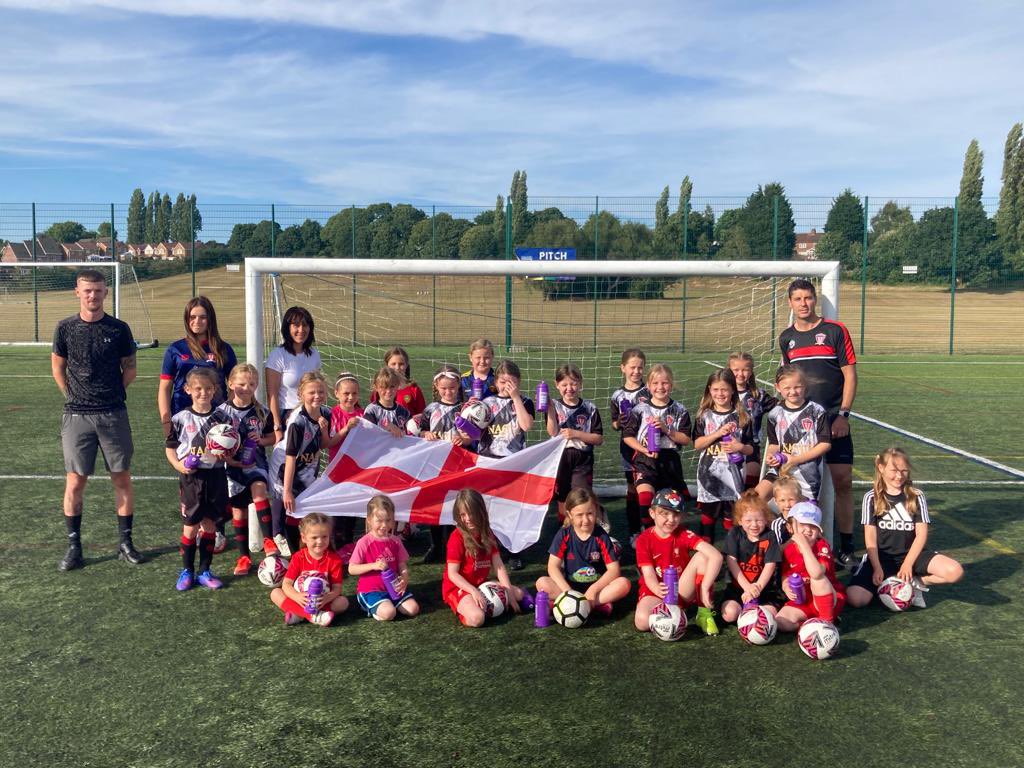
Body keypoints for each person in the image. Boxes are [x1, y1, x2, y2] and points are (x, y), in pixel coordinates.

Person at [51, 268, 142, 571]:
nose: (93, 295)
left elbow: (130, 368)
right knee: (75, 482)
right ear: (77, 291)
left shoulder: (119, 329)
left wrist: (113, 393)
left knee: (122, 479)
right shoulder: (64, 328)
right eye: (87, 290)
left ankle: (125, 543)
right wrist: (72, 396)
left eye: (98, 290)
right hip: (77, 416)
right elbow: (58, 368)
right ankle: (74, 547)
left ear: (106, 292)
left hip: (113, 413)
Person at [779, 278, 858, 567]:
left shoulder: (835, 331)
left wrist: (843, 414)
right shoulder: (786, 337)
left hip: (833, 419)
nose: (803, 303)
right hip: (801, 426)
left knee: (843, 481)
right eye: (797, 299)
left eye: (808, 298)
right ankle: (796, 543)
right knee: (798, 486)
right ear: (790, 304)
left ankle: (847, 546)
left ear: (816, 301)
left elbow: (850, 375)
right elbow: (788, 382)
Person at [846, 448, 964, 609]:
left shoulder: (916, 496)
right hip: (881, 558)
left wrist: (908, 564)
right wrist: (877, 567)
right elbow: (870, 537)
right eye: (894, 470)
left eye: (904, 471)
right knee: (855, 599)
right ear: (881, 468)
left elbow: (921, 534)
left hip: (913, 556)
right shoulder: (871, 497)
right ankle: (887, 586)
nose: (899, 476)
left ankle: (914, 583)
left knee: (955, 571)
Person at [165, 368, 235, 591]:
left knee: (210, 525)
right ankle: (187, 570)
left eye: (208, 388)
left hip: (215, 476)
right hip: (191, 479)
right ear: (188, 390)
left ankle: (205, 571)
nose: (203, 393)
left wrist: (226, 454)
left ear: (215, 390)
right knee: (190, 526)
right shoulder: (180, 418)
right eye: (198, 389)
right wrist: (179, 466)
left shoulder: (223, 418)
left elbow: (232, 448)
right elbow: (170, 448)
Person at [633, 489, 723, 636]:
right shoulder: (644, 539)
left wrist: (705, 586)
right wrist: (657, 589)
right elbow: (648, 574)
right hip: (655, 591)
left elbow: (716, 556)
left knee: (703, 556)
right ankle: (672, 613)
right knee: (642, 622)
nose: (671, 519)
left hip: (680, 590)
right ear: (652, 513)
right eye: (665, 513)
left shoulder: (683, 534)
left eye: (676, 514)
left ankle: (703, 613)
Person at [269, 372, 340, 554]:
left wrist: (331, 431)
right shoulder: (297, 422)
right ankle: (291, 553)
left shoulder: (325, 413)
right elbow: (290, 457)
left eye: (321, 392)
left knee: (303, 511)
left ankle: (306, 551)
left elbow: (324, 444)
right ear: (301, 394)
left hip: (308, 469)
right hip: (285, 468)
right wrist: (286, 491)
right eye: (312, 392)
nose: (317, 396)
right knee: (291, 509)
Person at [216, 363, 277, 576]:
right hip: (232, 467)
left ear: (256, 385)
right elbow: (212, 441)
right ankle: (244, 557)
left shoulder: (261, 411)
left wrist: (261, 440)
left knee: (259, 489)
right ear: (231, 384)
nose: (246, 388)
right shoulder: (221, 413)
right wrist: (225, 453)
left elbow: (273, 437)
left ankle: (269, 540)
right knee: (239, 511)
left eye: (251, 384)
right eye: (241, 383)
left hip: (255, 463)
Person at [536, 488, 631, 619]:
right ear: (569, 515)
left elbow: (614, 570)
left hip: (597, 589)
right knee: (542, 583)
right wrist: (567, 591)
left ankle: (573, 604)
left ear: (596, 511)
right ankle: (591, 605)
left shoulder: (601, 536)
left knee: (624, 584)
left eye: (590, 513)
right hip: (570, 587)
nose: (586, 520)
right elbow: (552, 566)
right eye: (579, 515)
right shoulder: (564, 534)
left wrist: (593, 590)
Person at [621, 363, 692, 534]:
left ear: (671, 385)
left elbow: (686, 439)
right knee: (645, 497)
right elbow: (627, 436)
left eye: (665, 383)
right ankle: (646, 535)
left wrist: (666, 430)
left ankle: (669, 537)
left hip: (669, 461)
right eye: (655, 383)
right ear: (648, 385)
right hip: (645, 459)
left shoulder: (679, 410)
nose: (660, 387)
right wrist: (643, 449)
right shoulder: (640, 409)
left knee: (670, 504)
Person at [442, 489, 528, 627]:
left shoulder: (487, 533)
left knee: (517, 594)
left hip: (480, 584)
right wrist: (473, 591)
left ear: (481, 511)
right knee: (477, 618)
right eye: (463, 514)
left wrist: (509, 592)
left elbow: (498, 565)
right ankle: (468, 608)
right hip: (458, 587)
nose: (468, 518)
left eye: (471, 513)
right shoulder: (456, 538)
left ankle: (491, 604)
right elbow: (452, 574)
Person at [479, 359, 535, 570]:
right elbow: (475, 433)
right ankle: (490, 550)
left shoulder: (525, 401)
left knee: (513, 509)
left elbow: (526, 425)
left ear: (518, 382)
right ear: (496, 382)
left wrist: (515, 398)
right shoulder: (487, 402)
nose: (507, 386)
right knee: (489, 509)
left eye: (511, 382)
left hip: (514, 463)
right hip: (489, 461)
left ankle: (514, 552)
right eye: (503, 382)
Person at [158, 296, 237, 438]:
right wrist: (166, 421)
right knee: (184, 459)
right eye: (192, 317)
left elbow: (234, 386)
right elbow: (165, 387)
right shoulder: (175, 349)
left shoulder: (224, 349)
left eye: (202, 317)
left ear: (210, 319)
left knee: (215, 459)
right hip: (182, 415)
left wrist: (227, 413)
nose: (197, 322)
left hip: (216, 420)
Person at [413, 364, 469, 563]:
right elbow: (418, 432)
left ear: (458, 386)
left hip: (459, 464)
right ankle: (436, 546)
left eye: (452, 388)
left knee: (456, 506)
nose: (448, 392)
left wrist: (465, 439)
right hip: (436, 465)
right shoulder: (430, 409)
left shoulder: (466, 409)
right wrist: (425, 434)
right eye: (444, 388)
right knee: (436, 505)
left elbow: (475, 436)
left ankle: (455, 547)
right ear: (436, 387)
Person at [690, 368, 753, 543]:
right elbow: (697, 444)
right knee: (708, 517)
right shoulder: (704, 416)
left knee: (731, 517)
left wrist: (739, 446)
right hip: (708, 474)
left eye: (724, 389)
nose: (720, 394)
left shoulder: (743, 417)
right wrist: (717, 434)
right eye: (716, 389)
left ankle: (731, 553)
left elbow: (751, 449)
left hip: (734, 476)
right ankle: (705, 552)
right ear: (709, 390)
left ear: (733, 389)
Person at [757, 365, 831, 503]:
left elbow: (825, 444)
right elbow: (774, 444)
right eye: (787, 388)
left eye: (797, 387)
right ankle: (773, 524)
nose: (793, 392)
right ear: (778, 387)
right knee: (758, 497)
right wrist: (771, 455)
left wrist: (796, 459)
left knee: (804, 514)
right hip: (781, 469)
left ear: (805, 386)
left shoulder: (817, 411)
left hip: (808, 472)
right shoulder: (774, 414)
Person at [775, 501, 847, 633]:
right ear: (790, 528)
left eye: (813, 526)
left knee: (817, 579)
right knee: (780, 621)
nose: (808, 529)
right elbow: (786, 573)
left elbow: (817, 573)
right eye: (803, 524)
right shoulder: (789, 549)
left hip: (828, 599)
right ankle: (807, 625)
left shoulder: (822, 545)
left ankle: (827, 624)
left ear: (819, 531)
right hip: (804, 599)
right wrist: (785, 586)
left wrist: (804, 547)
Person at [546, 364, 604, 524]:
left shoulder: (590, 408)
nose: (569, 388)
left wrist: (576, 434)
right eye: (564, 384)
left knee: (582, 495)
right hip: (560, 458)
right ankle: (564, 531)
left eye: (573, 383)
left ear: (580, 384)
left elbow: (598, 439)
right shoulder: (555, 406)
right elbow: (552, 432)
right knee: (562, 496)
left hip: (582, 458)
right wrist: (550, 411)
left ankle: (586, 527)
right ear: (557, 385)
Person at [347, 495, 420, 621]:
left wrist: (404, 578)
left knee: (413, 609)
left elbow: (402, 565)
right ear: (369, 520)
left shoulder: (395, 541)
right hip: (371, 590)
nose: (384, 525)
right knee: (389, 613)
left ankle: (389, 603)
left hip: (394, 588)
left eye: (388, 520)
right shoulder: (364, 542)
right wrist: (373, 565)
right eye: (379, 521)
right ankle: (367, 605)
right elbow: (351, 569)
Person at [270, 513, 349, 626]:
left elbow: (337, 588)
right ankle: (313, 616)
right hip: (300, 601)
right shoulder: (298, 557)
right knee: (275, 593)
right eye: (314, 537)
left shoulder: (334, 559)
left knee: (343, 602)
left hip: (323, 602)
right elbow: (286, 584)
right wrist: (297, 597)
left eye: (324, 537)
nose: (320, 541)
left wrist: (327, 598)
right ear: (304, 538)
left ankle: (297, 614)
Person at [720, 491, 782, 624]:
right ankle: (745, 610)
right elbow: (731, 562)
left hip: (765, 590)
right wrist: (747, 588)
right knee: (729, 614)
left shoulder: (770, 536)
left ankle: (753, 610)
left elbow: (770, 565)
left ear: (766, 520)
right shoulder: (734, 533)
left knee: (768, 617)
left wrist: (757, 588)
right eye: (748, 520)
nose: (754, 525)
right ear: (740, 521)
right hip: (737, 589)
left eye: (759, 520)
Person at [264, 306, 321, 443]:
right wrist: (277, 427)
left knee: (309, 459)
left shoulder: (314, 355)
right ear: (287, 328)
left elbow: (317, 389)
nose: (301, 330)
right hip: (287, 415)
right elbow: (272, 394)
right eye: (296, 325)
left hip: (310, 414)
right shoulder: (278, 355)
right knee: (288, 461)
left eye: (305, 325)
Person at [610, 348, 649, 545]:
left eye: (640, 367)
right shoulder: (617, 395)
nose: (636, 371)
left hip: (649, 447)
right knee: (633, 489)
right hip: (628, 448)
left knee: (649, 489)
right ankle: (635, 532)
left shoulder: (650, 390)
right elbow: (614, 424)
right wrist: (622, 421)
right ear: (623, 368)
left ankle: (650, 530)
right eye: (632, 367)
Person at [727, 352, 777, 489]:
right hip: (726, 446)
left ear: (751, 371)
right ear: (728, 371)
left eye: (745, 370)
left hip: (751, 447)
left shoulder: (758, 395)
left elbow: (780, 408)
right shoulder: (723, 393)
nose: (740, 374)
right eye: (736, 370)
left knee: (750, 483)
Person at [328, 371, 364, 552]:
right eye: (346, 394)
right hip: (337, 470)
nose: (350, 397)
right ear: (336, 393)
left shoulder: (362, 414)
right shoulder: (332, 414)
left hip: (356, 470)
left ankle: (349, 544)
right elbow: (330, 442)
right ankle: (337, 546)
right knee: (338, 510)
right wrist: (345, 429)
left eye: (354, 393)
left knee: (352, 509)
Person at [371, 346, 426, 417]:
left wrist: (413, 420)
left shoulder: (414, 389)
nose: (397, 368)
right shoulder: (379, 389)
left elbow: (423, 414)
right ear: (387, 365)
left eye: (401, 364)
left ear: (406, 365)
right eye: (393, 364)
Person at [363, 367, 411, 436]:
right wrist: (387, 429)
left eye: (392, 386)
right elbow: (367, 433)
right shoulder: (372, 410)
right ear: (376, 387)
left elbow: (412, 432)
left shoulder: (403, 411)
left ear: (398, 386)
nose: (388, 391)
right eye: (384, 387)